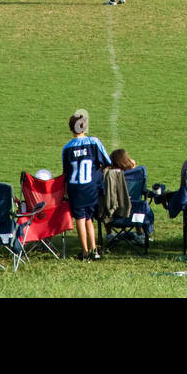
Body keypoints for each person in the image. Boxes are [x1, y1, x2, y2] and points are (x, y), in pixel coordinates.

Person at [61, 109, 110, 261]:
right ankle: (94, 249)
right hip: (91, 187)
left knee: (80, 219)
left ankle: (85, 251)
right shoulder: (94, 142)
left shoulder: (67, 148)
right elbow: (107, 161)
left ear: (71, 129)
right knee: (89, 218)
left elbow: (66, 171)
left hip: (76, 188)